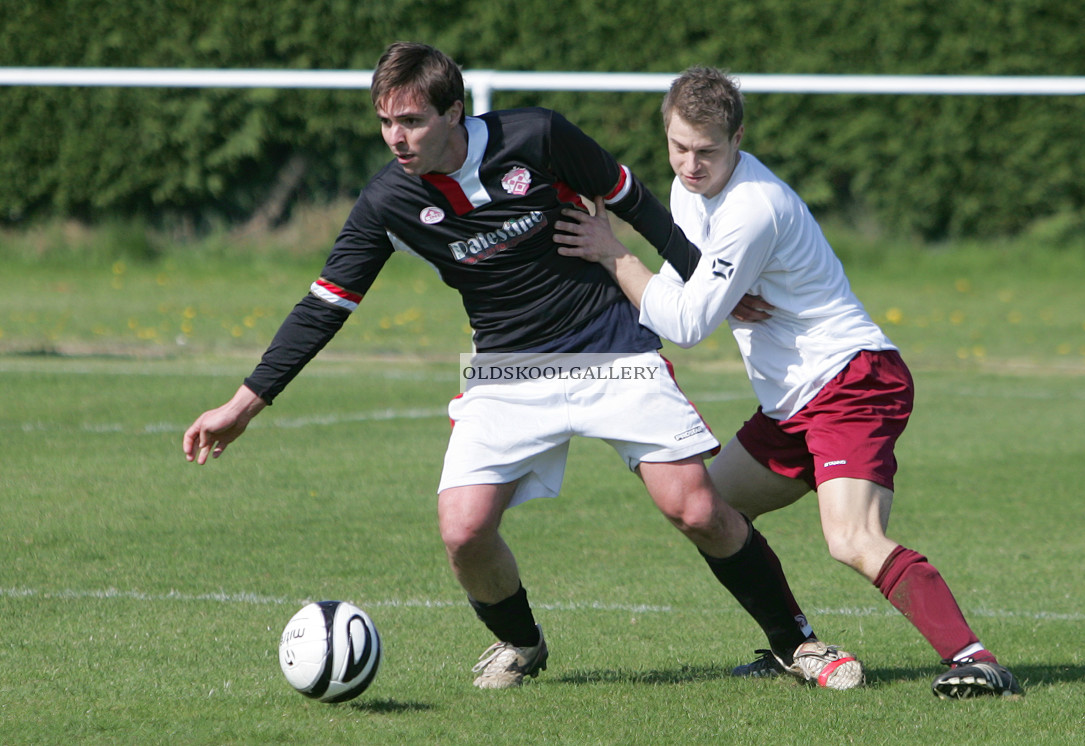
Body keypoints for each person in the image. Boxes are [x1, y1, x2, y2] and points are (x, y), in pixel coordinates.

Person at [182, 43, 856, 691]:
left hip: (608, 347)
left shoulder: (537, 136)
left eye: (411, 120)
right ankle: (521, 643)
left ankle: (795, 641)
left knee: (696, 506)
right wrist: (244, 404)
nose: (396, 137)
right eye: (386, 121)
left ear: (453, 114)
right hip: (506, 370)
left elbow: (635, 202)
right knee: (463, 530)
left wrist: (709, 286)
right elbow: (324, 306)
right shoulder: (387, 201)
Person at [555, 66, 1022, 699]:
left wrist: (614, 253)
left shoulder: (755, 205)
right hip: (793, 402)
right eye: (679, 147)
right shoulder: (692, 187)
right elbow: (693, 275)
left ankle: (976, 659)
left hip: (851, 379)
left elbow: (688, 321)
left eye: (708, 151)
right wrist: (717, 285)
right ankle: (794, 645)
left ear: (738, 137)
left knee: (851, 538)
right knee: (707, 509)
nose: (691, 165)